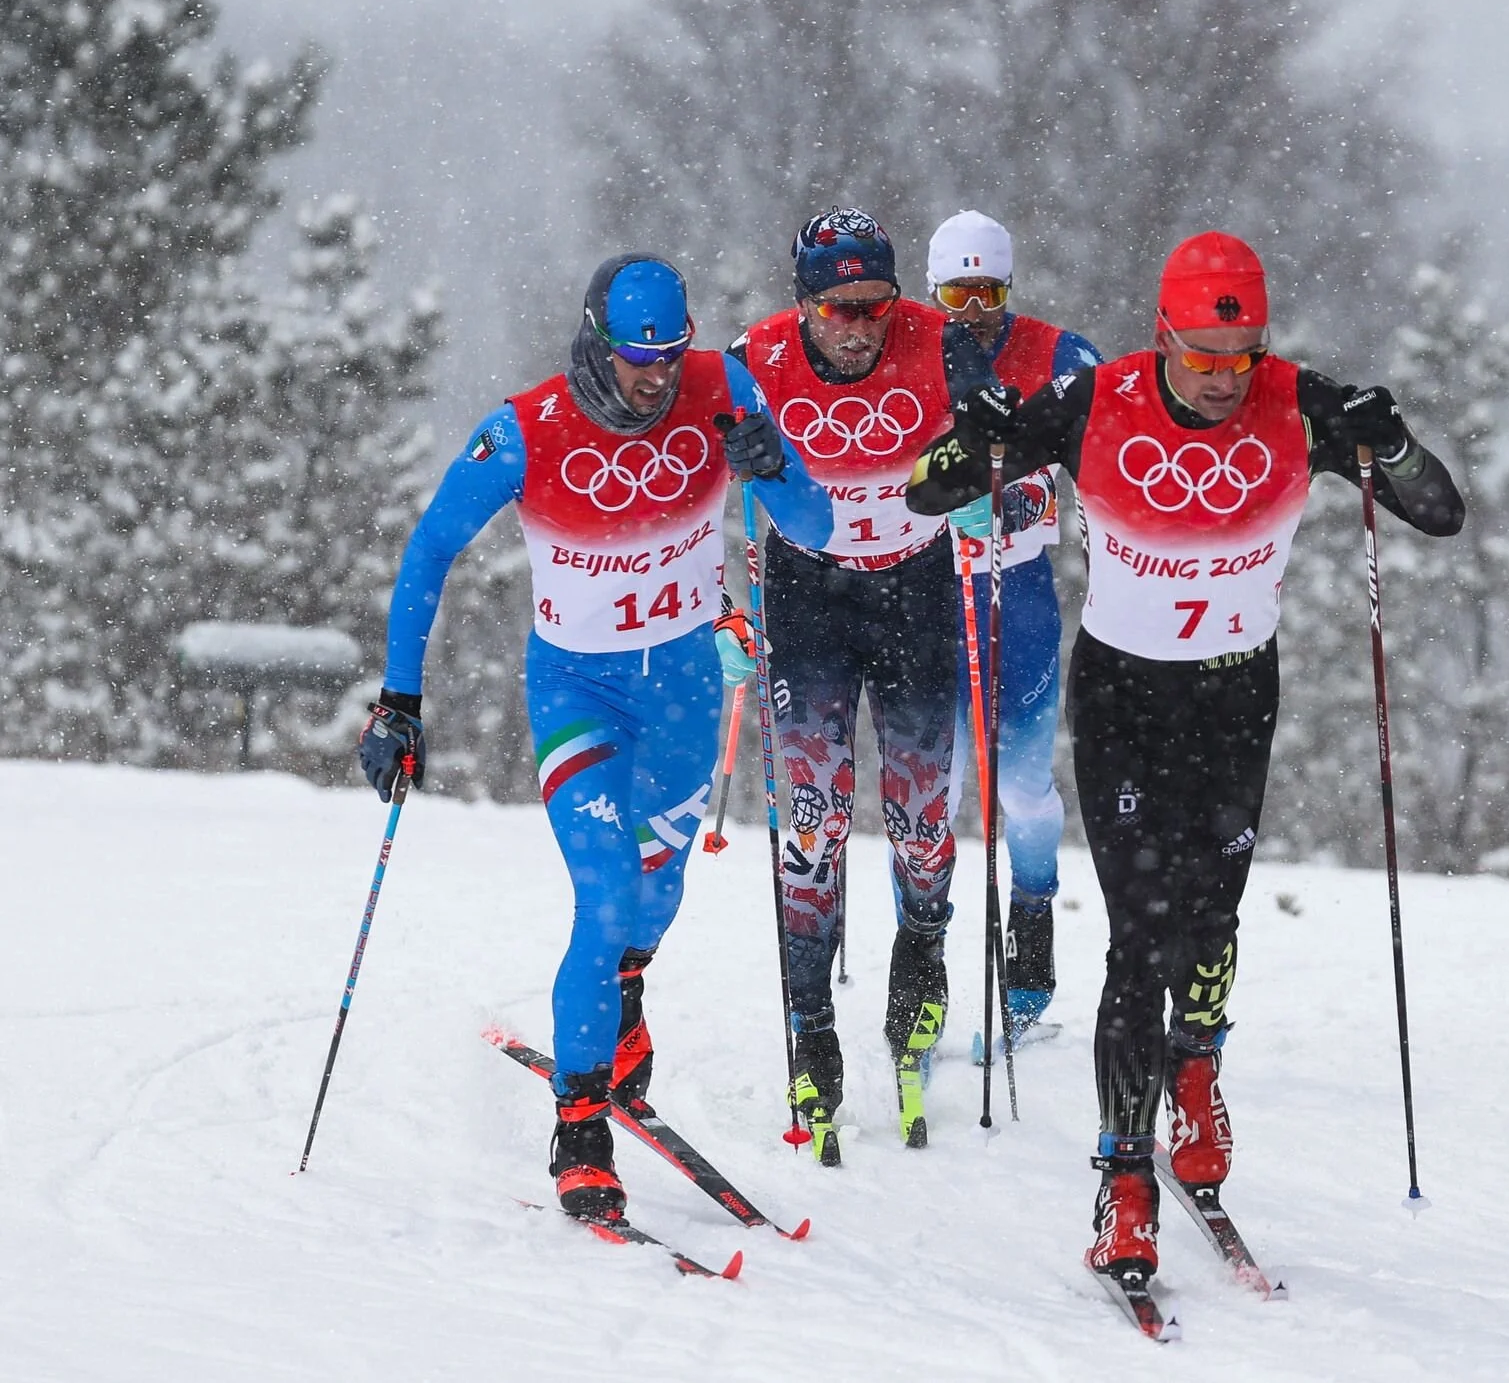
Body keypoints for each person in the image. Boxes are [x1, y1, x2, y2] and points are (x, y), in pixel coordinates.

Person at [907, 232, 1465, 1287]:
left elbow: (1438, 513)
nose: (1222, 377)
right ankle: (1122, 1181)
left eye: (1241, 355)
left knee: (1212, 913)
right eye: (1204, 355)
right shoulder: (1094, 400)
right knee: (1140, 936)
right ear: (1163, 335)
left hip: (1233, 697)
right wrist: (967, 437)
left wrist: (1386, 448)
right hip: (1125, 696)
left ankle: (1196, 1064)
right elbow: (927, 493)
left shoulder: (1299, 403)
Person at [356, 255, 830, 1220]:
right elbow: (430, 551)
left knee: (654, 901)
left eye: (670, 353)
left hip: (688, 692)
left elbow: (817, 524)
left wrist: (771, 468)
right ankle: (581, 1126)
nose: (657, 376)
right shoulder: (526, 428)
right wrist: (398, 700)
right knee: (606, 894)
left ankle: (623, 1000)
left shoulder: (721, 389)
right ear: (594, 339)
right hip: (580, 690)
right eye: (635, 356)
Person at [727, 208, 968, 1163]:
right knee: (812, 816)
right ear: (804, 302)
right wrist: (723, 610)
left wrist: (995, 473)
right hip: (807, 596)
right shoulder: (754, 357)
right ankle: (810, 1015)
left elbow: (1015, 425)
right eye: (839, 308)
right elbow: (693, 486)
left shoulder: (941, 344)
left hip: (914, 587)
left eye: (876, 304)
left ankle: (923, 949)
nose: (861, 325)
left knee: (920, 811)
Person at [918, 210, 1103, 1049]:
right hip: (926, 593)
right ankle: (920, 956)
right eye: (956, 291)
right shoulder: (905, 351)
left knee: (1021, 784)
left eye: (988, 290)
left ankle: (1031, 917)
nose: (972, 310)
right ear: (932, 290)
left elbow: (1109, 455)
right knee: (933, 791)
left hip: (1019, 590)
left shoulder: (1059, 357)